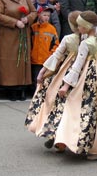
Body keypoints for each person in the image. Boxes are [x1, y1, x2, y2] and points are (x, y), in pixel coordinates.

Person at [52, 11, 97, 158]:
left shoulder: (86, 43)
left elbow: (77, 66)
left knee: (87, 109)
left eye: (80, 26)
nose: (78, 29)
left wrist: (66, 85)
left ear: (86, 27)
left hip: (92, 78)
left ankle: (95, 147)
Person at [25, 11, 81, 147]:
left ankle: (55, 134)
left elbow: (56, 55)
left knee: (57, 104)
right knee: (74, 107)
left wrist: (43, 71)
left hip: (65, 73)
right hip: (82, 73)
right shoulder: (87, 39)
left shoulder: (68, 39)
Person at [0, 0, 37, 101]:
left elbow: (34, 11)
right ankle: (11, 89)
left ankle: (22, 88)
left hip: (23, 33)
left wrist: (27, 19)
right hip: (8, 35)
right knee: (9, 62)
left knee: (23, 60)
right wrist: (14, 22)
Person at [30, 6, 59, 89]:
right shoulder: (34, 27)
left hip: (46, 59)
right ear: (39, 15)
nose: (47, 17)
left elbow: (56, 44)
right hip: (35, 59)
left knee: (45, 78)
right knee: (35, 78)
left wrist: (51, 54)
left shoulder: (52, 29)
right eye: (44, 15)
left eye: (48, 16)